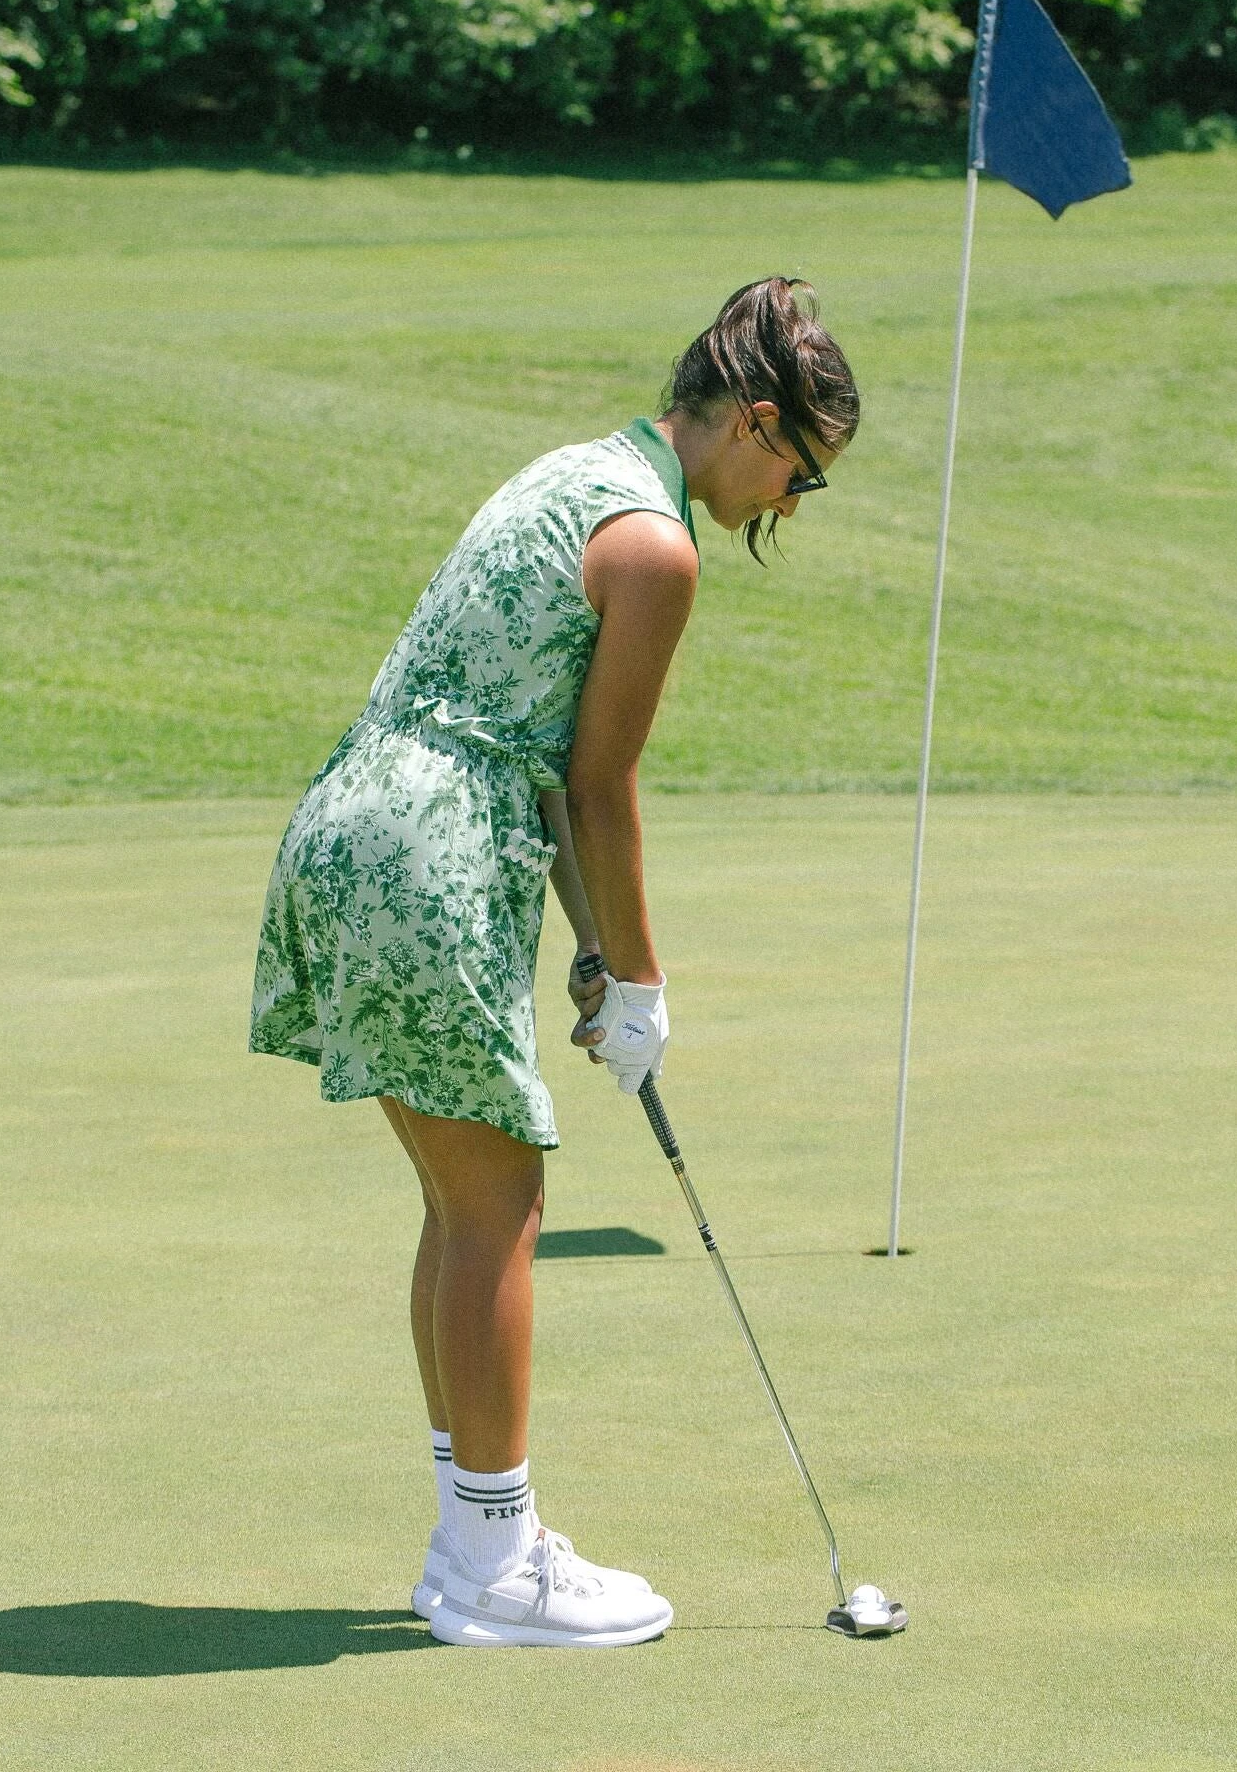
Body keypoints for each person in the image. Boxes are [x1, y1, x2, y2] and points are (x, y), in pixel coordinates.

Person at [248, 276, 860, 1647]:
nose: (793, 503)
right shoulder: (657, 546)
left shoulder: (580, 472)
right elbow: (600, 784)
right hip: (430, 852)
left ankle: (473, 1537)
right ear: (756, 423)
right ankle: (493, 1566)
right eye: (802, 473)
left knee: (464, 1201)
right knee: (499, 1209)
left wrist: (594, 948)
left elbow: (543, 760)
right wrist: (642, 981)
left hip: (361, 825)